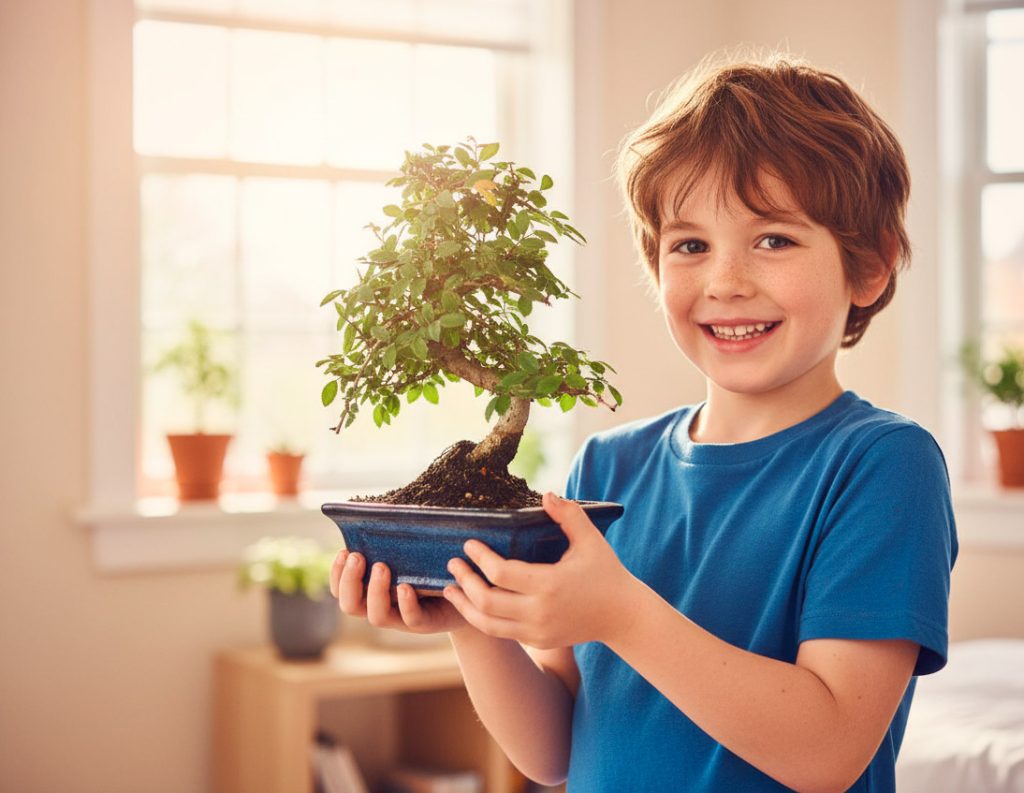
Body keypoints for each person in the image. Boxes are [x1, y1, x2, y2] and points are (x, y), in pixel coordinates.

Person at [331, 54, 957, 793]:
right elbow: (554, 751)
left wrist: (623, 615)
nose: (725, 280)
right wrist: (469, 618)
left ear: (870, 266)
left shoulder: (882, 466)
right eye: (690, 245)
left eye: (774, 239)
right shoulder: (606, 470)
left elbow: (828, 750)